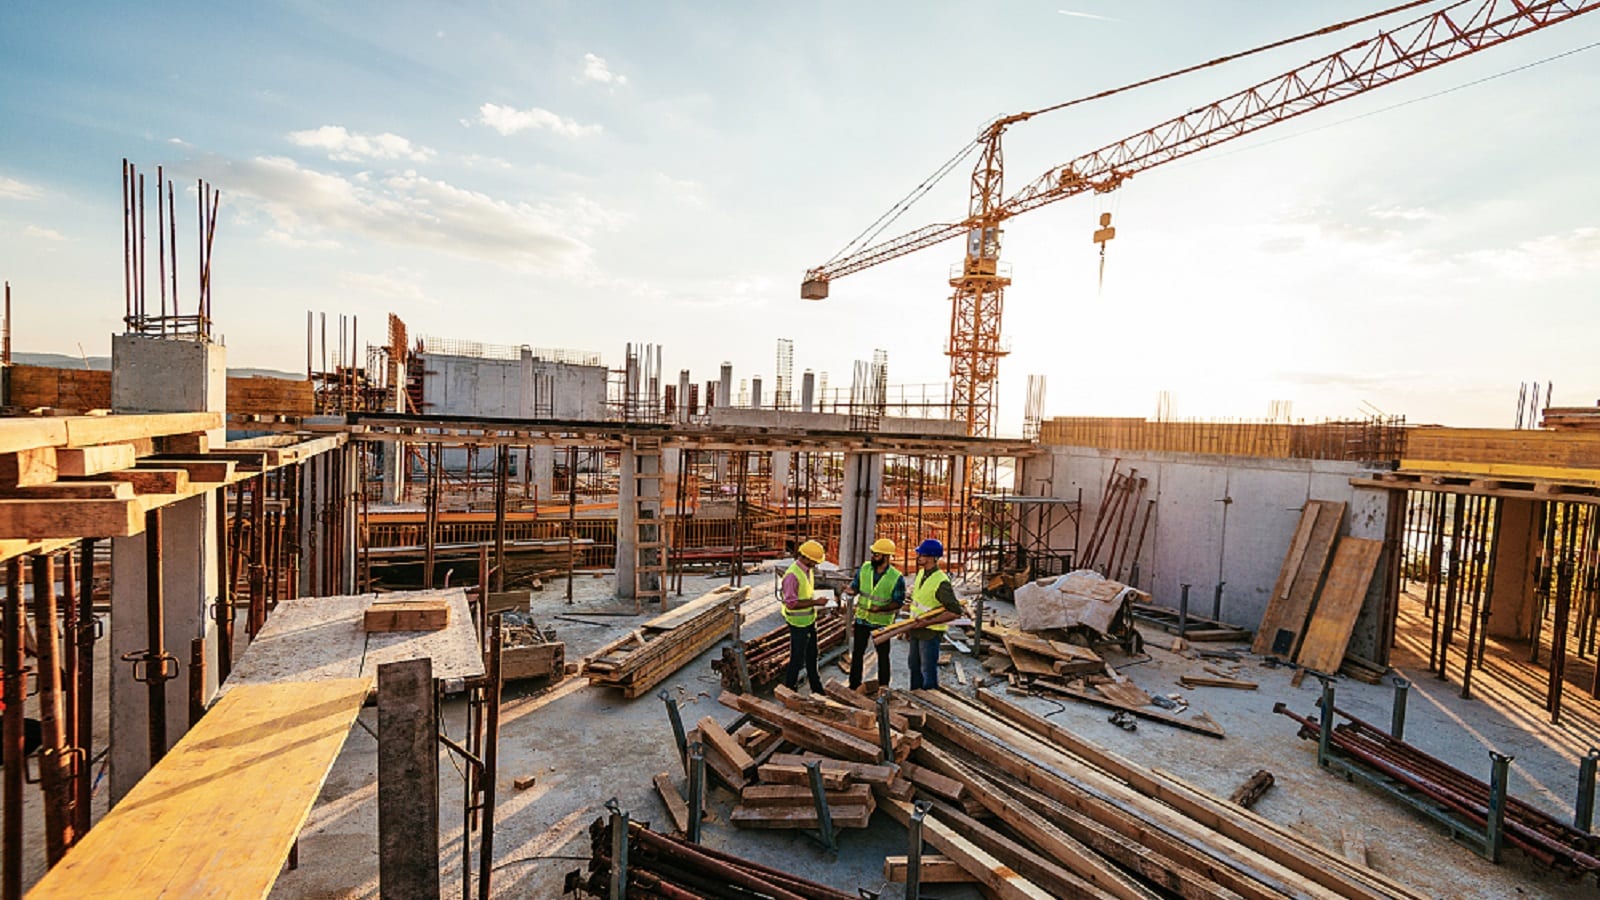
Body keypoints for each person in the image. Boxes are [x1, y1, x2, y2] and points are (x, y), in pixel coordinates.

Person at [843, 537, 904, 690]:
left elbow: (898, 602)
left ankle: (884, 688)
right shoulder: (864, 568)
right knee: (857, 655)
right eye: (873, 553)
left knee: (883, 657)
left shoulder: (896, 577)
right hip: (862, 619)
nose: (872, 557)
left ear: (886, 556)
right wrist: (851, 590)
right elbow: (856, 586)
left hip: (882, 623)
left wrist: (881, 609)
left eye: (876, 554)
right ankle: (854, 686)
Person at [906, 538, 961, 691]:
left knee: (927, 670)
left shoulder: (941, 581)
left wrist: (927, 623)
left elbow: (955, 612)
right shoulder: (921, 573)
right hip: (916, 628)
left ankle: (930, 701)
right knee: (914, 666)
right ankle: (916, 697)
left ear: (931, 557)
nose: (918, 557)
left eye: (921, 554)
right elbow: (917, 603)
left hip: (930, 633)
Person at [780, 539, 829, 694]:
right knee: (797, 659)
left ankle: (817, 688)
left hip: (809, 620)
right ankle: (789, 689)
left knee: (812, 655)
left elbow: (805, 593)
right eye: (814, 561)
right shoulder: (792, 576)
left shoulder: (807, 570)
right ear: (806, 558)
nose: (816, 564)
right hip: (797, 623)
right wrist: (815, 602)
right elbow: (791, 603)